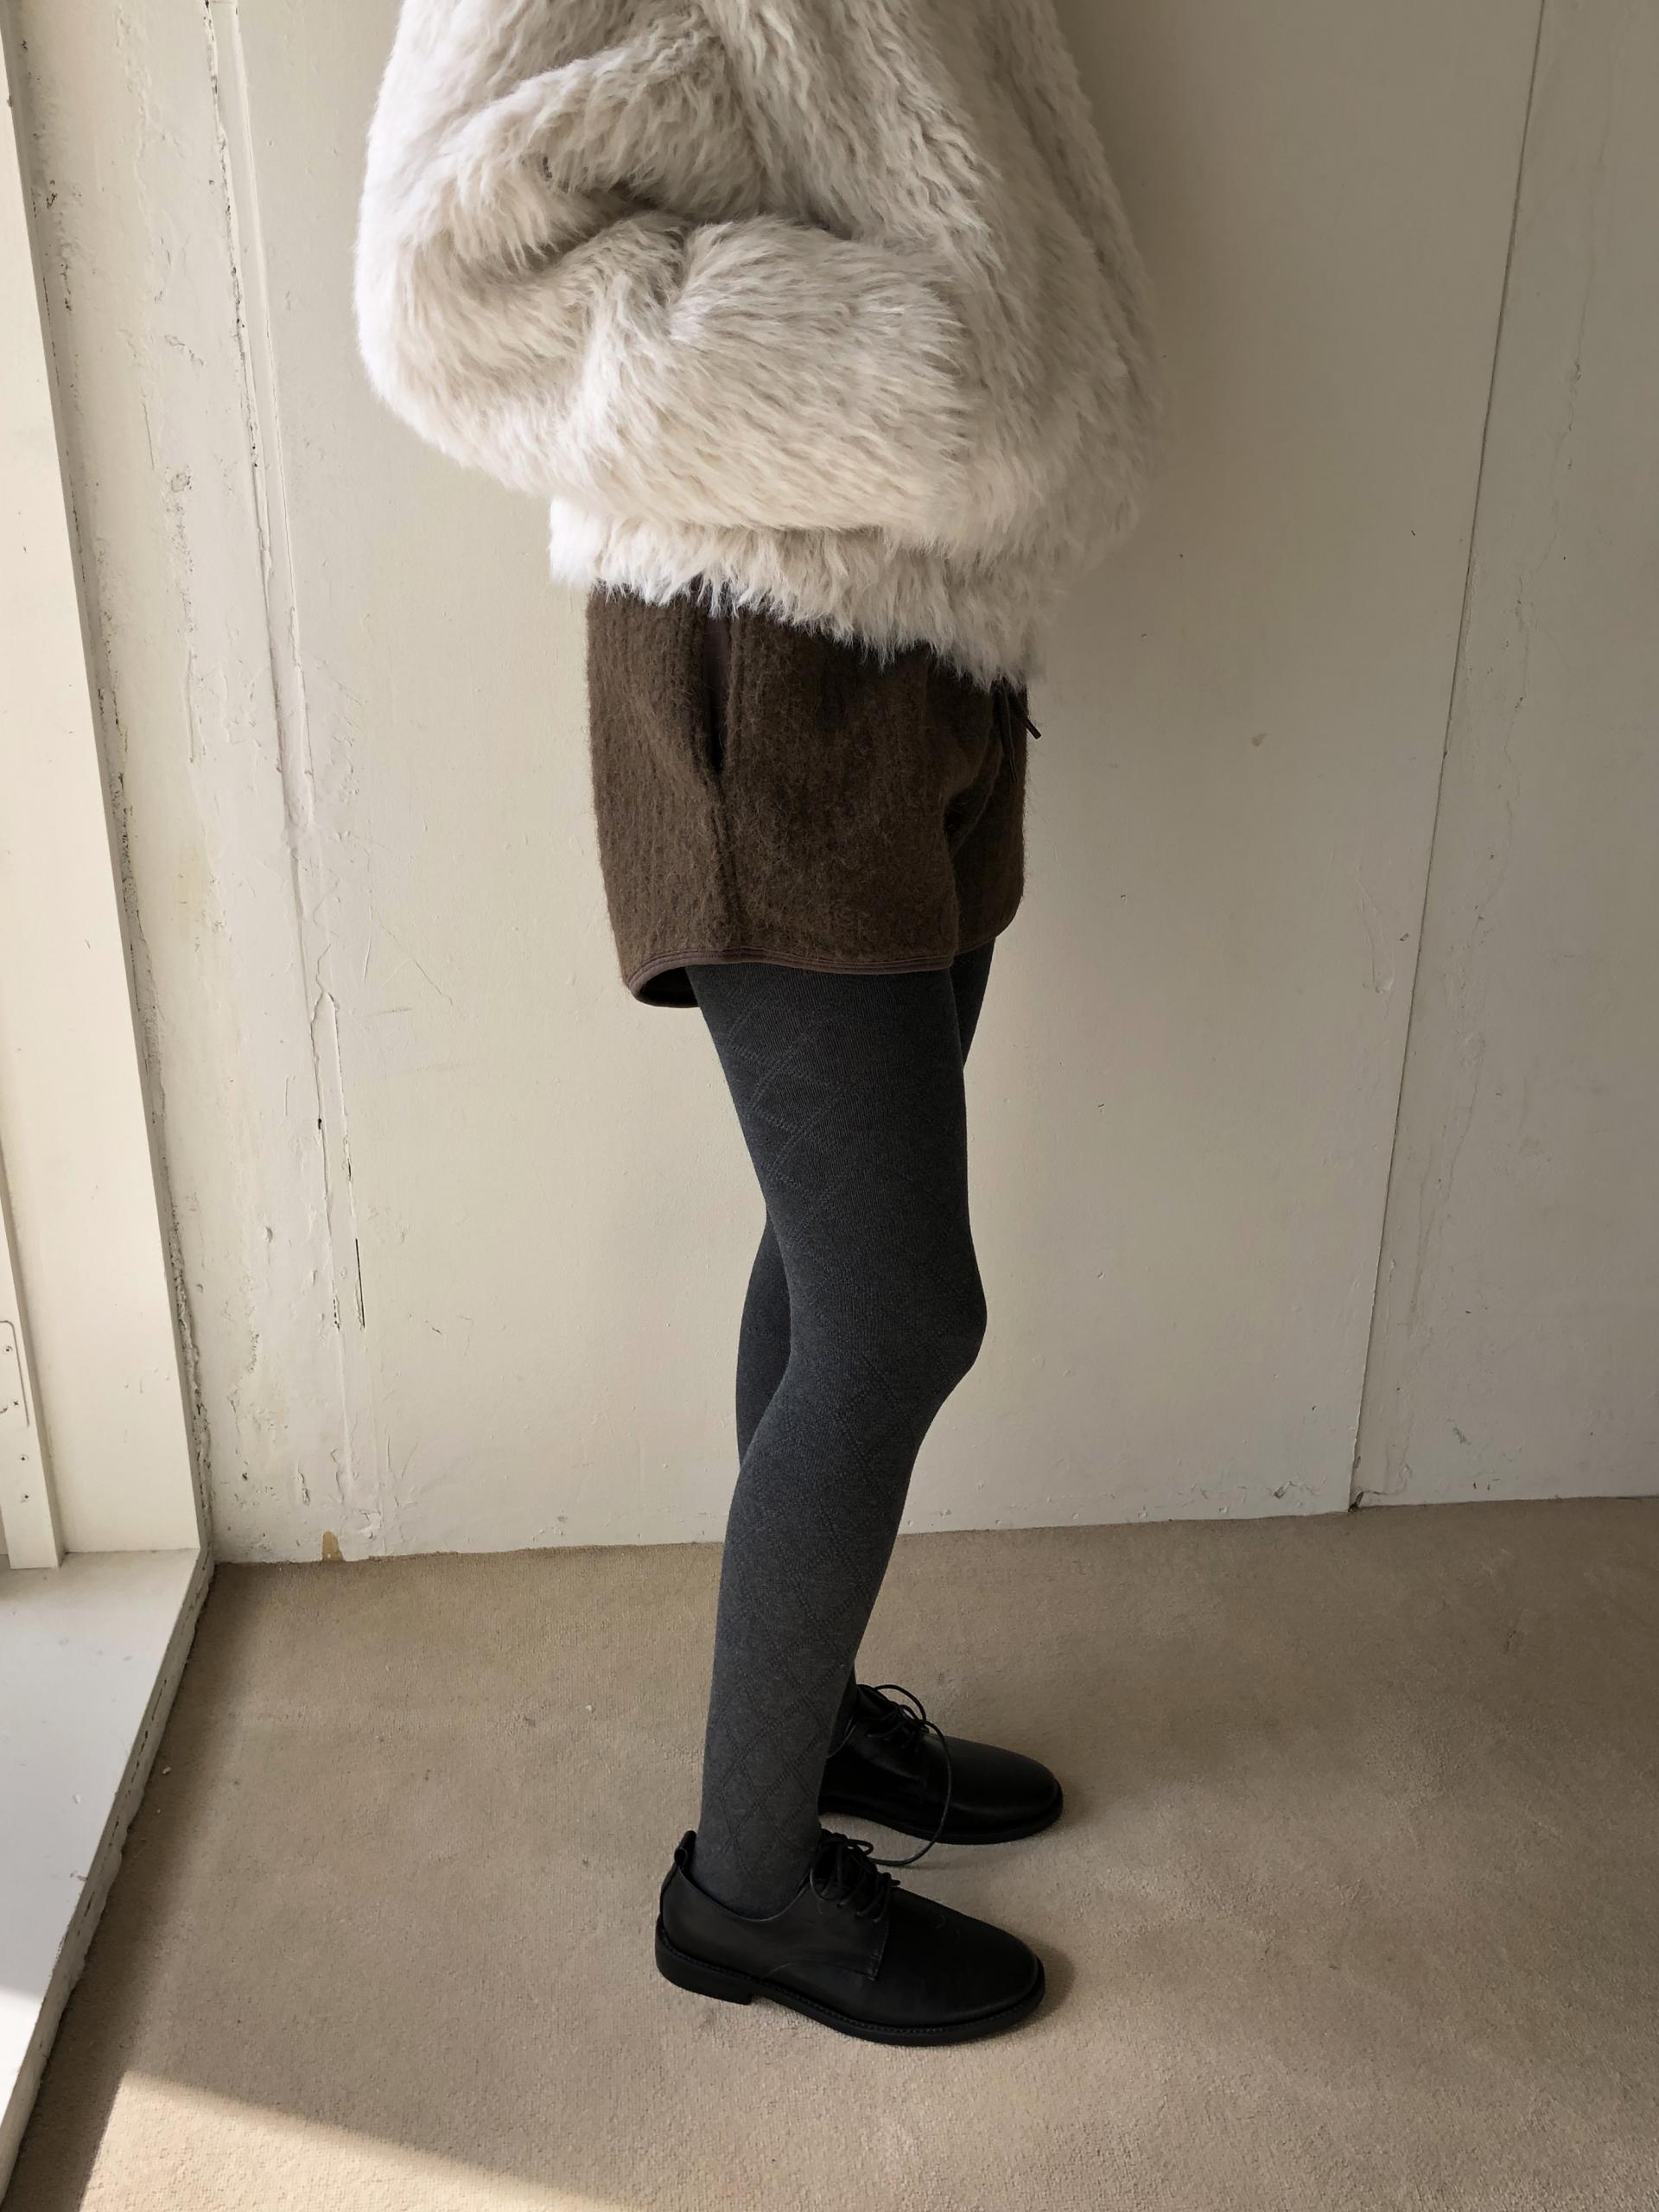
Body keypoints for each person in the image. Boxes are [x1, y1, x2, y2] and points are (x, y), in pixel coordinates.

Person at [357, 0, 1160, 2045]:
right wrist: (892, 374)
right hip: (761, 634)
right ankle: (748, 1888)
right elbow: (447, 284)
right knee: (901, 1314)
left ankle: (801, 1726)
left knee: (829, 1268)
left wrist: (991, 419)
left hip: (939, 635)